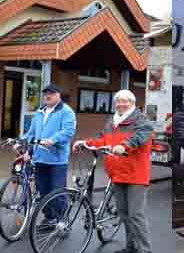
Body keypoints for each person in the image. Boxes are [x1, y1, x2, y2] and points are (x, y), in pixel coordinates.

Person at [75, 90, 153, 253]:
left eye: (125, 101)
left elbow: (140, 137)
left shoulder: (141, 120)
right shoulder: (113, 121)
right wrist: (85, 142)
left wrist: (124, 146)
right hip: (117, 173)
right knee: (124, 214)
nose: (121, 104)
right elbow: (102, 139)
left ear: (132, 103)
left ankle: (145, 250)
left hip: (135, 174)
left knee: (136, 215)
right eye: (118, 101)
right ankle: (131, 247)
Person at [16, 85, 76, 231]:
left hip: (57, 159)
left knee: (57, 191)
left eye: (51, 93)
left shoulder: (66, 111)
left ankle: (62, 220)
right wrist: (20, 141)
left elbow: (68, 131)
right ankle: (49, 218)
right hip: (40, 157)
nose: (48, 96)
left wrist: (53, 140)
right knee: (43, 191)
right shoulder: (39, 111)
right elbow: (32, 132)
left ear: (58, 95)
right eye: (46, 94)